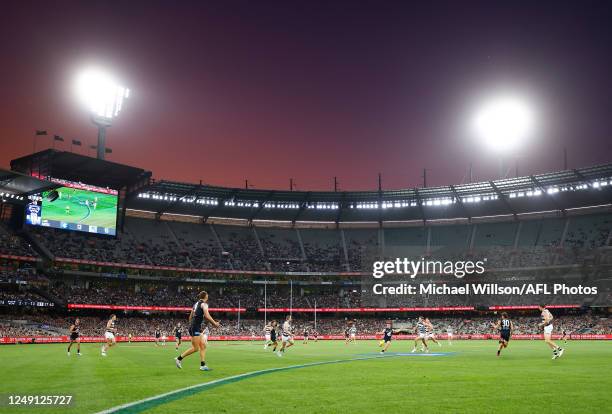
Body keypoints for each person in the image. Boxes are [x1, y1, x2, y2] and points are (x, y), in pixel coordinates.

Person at [175, 291, 220, 371]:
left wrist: (192, 325)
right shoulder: (204, 304)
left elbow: (190, 317)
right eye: (207, 295)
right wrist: (214, 324)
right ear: (206, 296)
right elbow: (207, 315)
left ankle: (202, 365)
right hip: (195, 327)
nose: (208, 296)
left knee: (203, 345)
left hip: (195, 326)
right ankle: (179, 359)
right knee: (196, 348)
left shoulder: (195, 304)